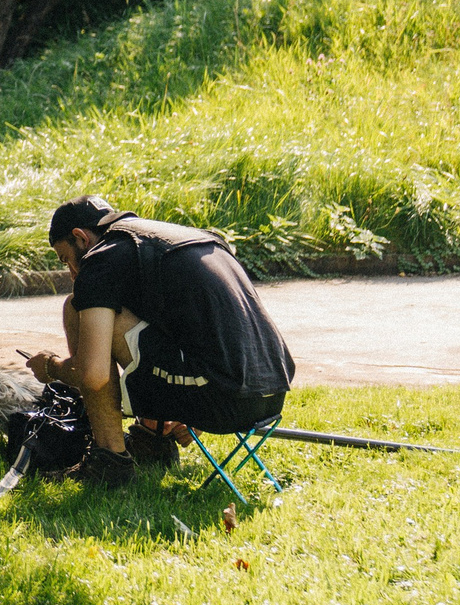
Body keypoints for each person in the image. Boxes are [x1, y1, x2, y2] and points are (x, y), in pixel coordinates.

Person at [22, 196, 298, 489]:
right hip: (271, 392)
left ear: (80, 237)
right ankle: (152, 440)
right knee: (127, 317)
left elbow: (93, 374)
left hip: (223, 398)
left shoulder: (101, 258)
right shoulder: (179, 237)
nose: (72, 272)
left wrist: (51, 367)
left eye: (65, 259)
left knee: (78, 307)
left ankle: (110, 463)